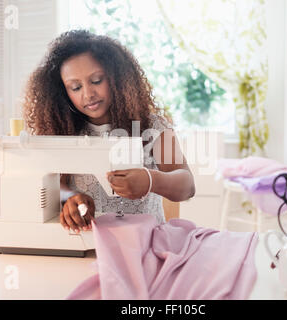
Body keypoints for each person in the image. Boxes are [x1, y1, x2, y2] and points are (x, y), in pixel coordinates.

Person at [22, 30, 195, 233]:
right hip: (89, 246)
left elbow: (187, 186)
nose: (88, 94)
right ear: (63, 92)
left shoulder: (152, 126)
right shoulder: (63, 132)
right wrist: (69, 198)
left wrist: (151, 180)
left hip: (146, 244)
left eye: (96, 81)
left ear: (117, 78)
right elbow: (56, 186)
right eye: (75, 87)